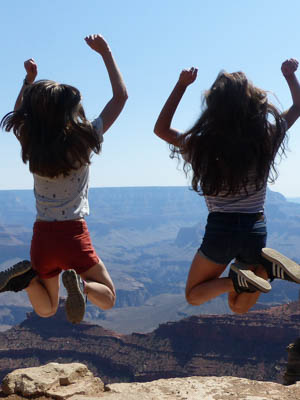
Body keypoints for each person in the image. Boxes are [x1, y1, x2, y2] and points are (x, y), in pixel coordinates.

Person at [154, 59, 300, 314]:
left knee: (194, 295)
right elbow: (298, 107)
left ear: (214, 109)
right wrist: (289, 76)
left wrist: (181, 85)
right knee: (239, 305)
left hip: (221, 230)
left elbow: (161, 129)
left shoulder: (202, 146)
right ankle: (264, 270)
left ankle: (244, 277)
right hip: (255, 227)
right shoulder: (264, 141)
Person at [0, 34, 128, 324]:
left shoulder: (32, 142)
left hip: (42, 238)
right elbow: (120, 97)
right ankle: (82, 286)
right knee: (108, 296)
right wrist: (106, 52)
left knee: (46, 309)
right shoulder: (84, 140)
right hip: (73, 235)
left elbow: (19, 113)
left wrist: (28, 81)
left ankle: (28, 280)